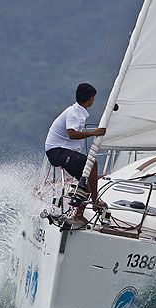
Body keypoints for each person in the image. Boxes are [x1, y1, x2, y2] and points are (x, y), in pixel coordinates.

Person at [45, 83, 107, 220]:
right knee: (92, 164)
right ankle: (95, 202)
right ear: (90, 99)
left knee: (87, 181)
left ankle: (78, 215)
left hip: (63, 151)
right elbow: (71, 134)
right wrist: (94, 133)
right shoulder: (73, 113)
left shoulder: (78, 111)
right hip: (56, 151)